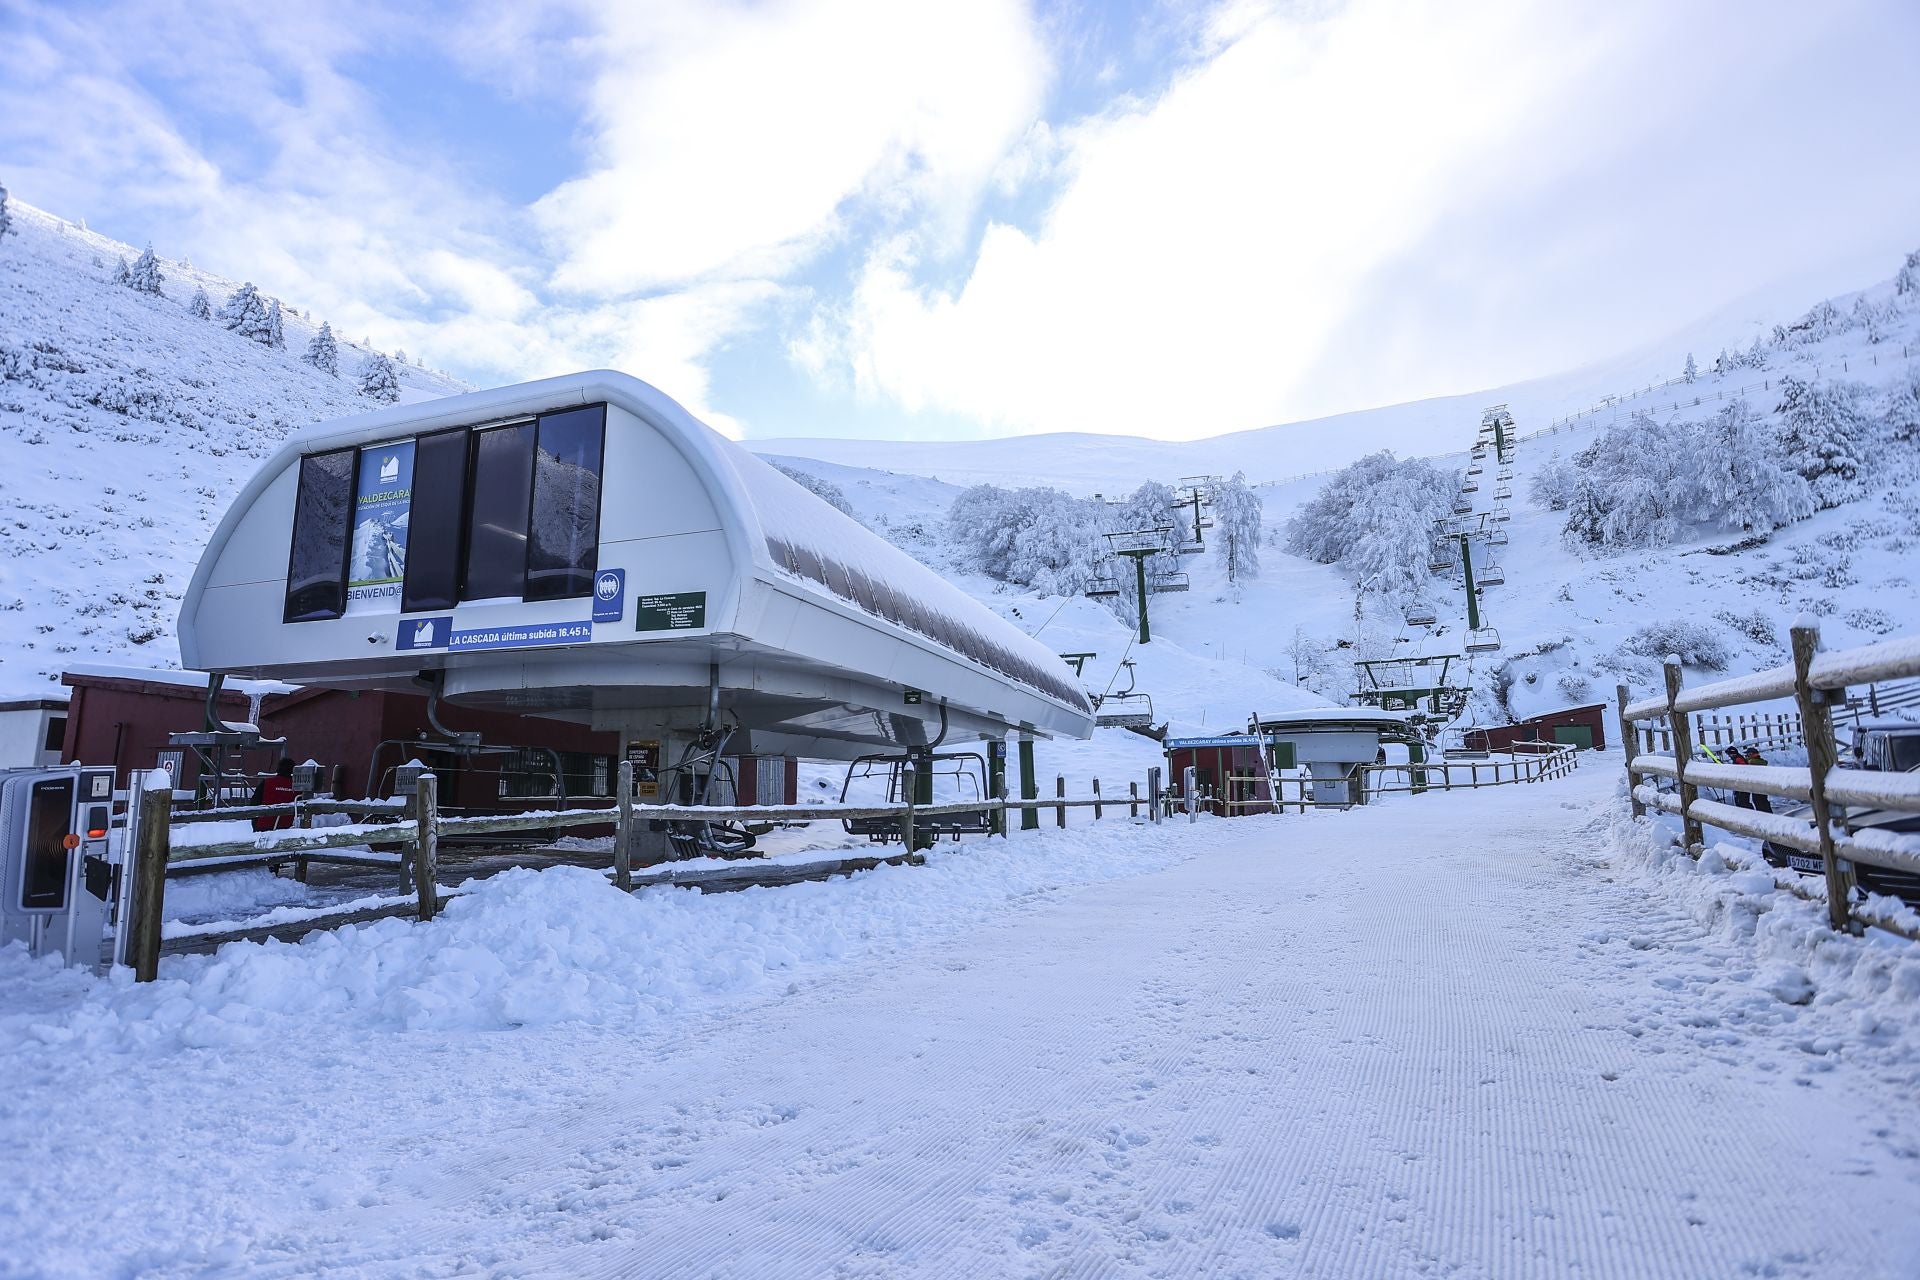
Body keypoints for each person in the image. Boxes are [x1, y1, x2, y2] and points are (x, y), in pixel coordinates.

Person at [252, 758, 297, 832]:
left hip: (262, 826)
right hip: (287, 828)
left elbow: (254, 803)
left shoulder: (266, 783)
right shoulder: (296, 786)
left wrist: (255, 822)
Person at [1741, 745, 1775, 815]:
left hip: (1758, 785)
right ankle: (1768, 815)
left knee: (1759, 801)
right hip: (1761, 784)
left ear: (1751, 754)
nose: (1746, 757)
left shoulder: (1753, 762)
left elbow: (1750, 763)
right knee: (1762, 801)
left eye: (1747, 755)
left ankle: (1765, 816)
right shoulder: (1759, 761)